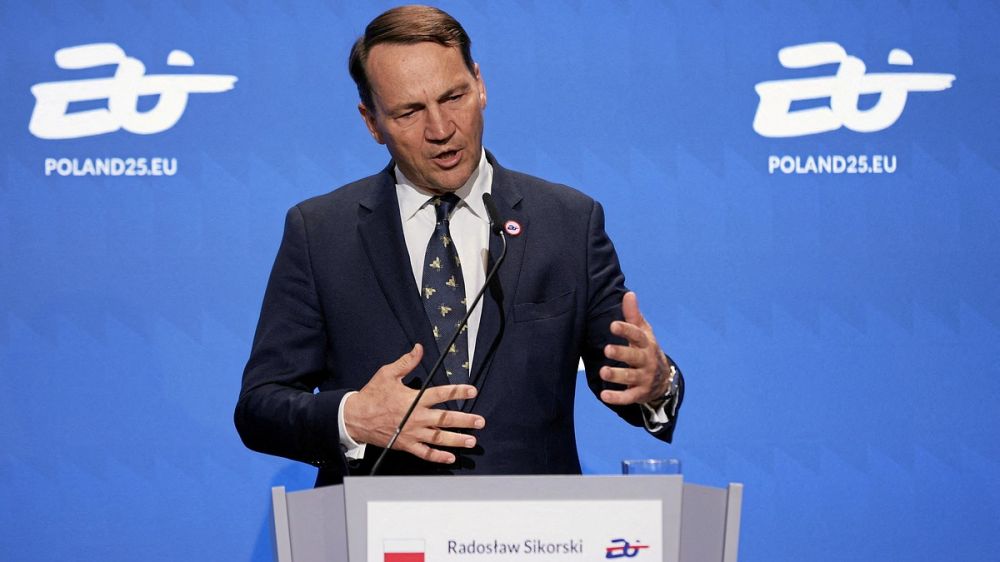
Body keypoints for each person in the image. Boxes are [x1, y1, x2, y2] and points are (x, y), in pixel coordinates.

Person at [235, 5, 684, 487]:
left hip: (534, 524)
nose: (441, 129)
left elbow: (627, 377)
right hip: (380, 524)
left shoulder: (568, 221)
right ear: (372, 122)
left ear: (480, 84)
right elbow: (260, 407)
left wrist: (657, 382)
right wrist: (354, 417)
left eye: (453, 97)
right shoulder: (321, 232)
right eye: (409, 112)